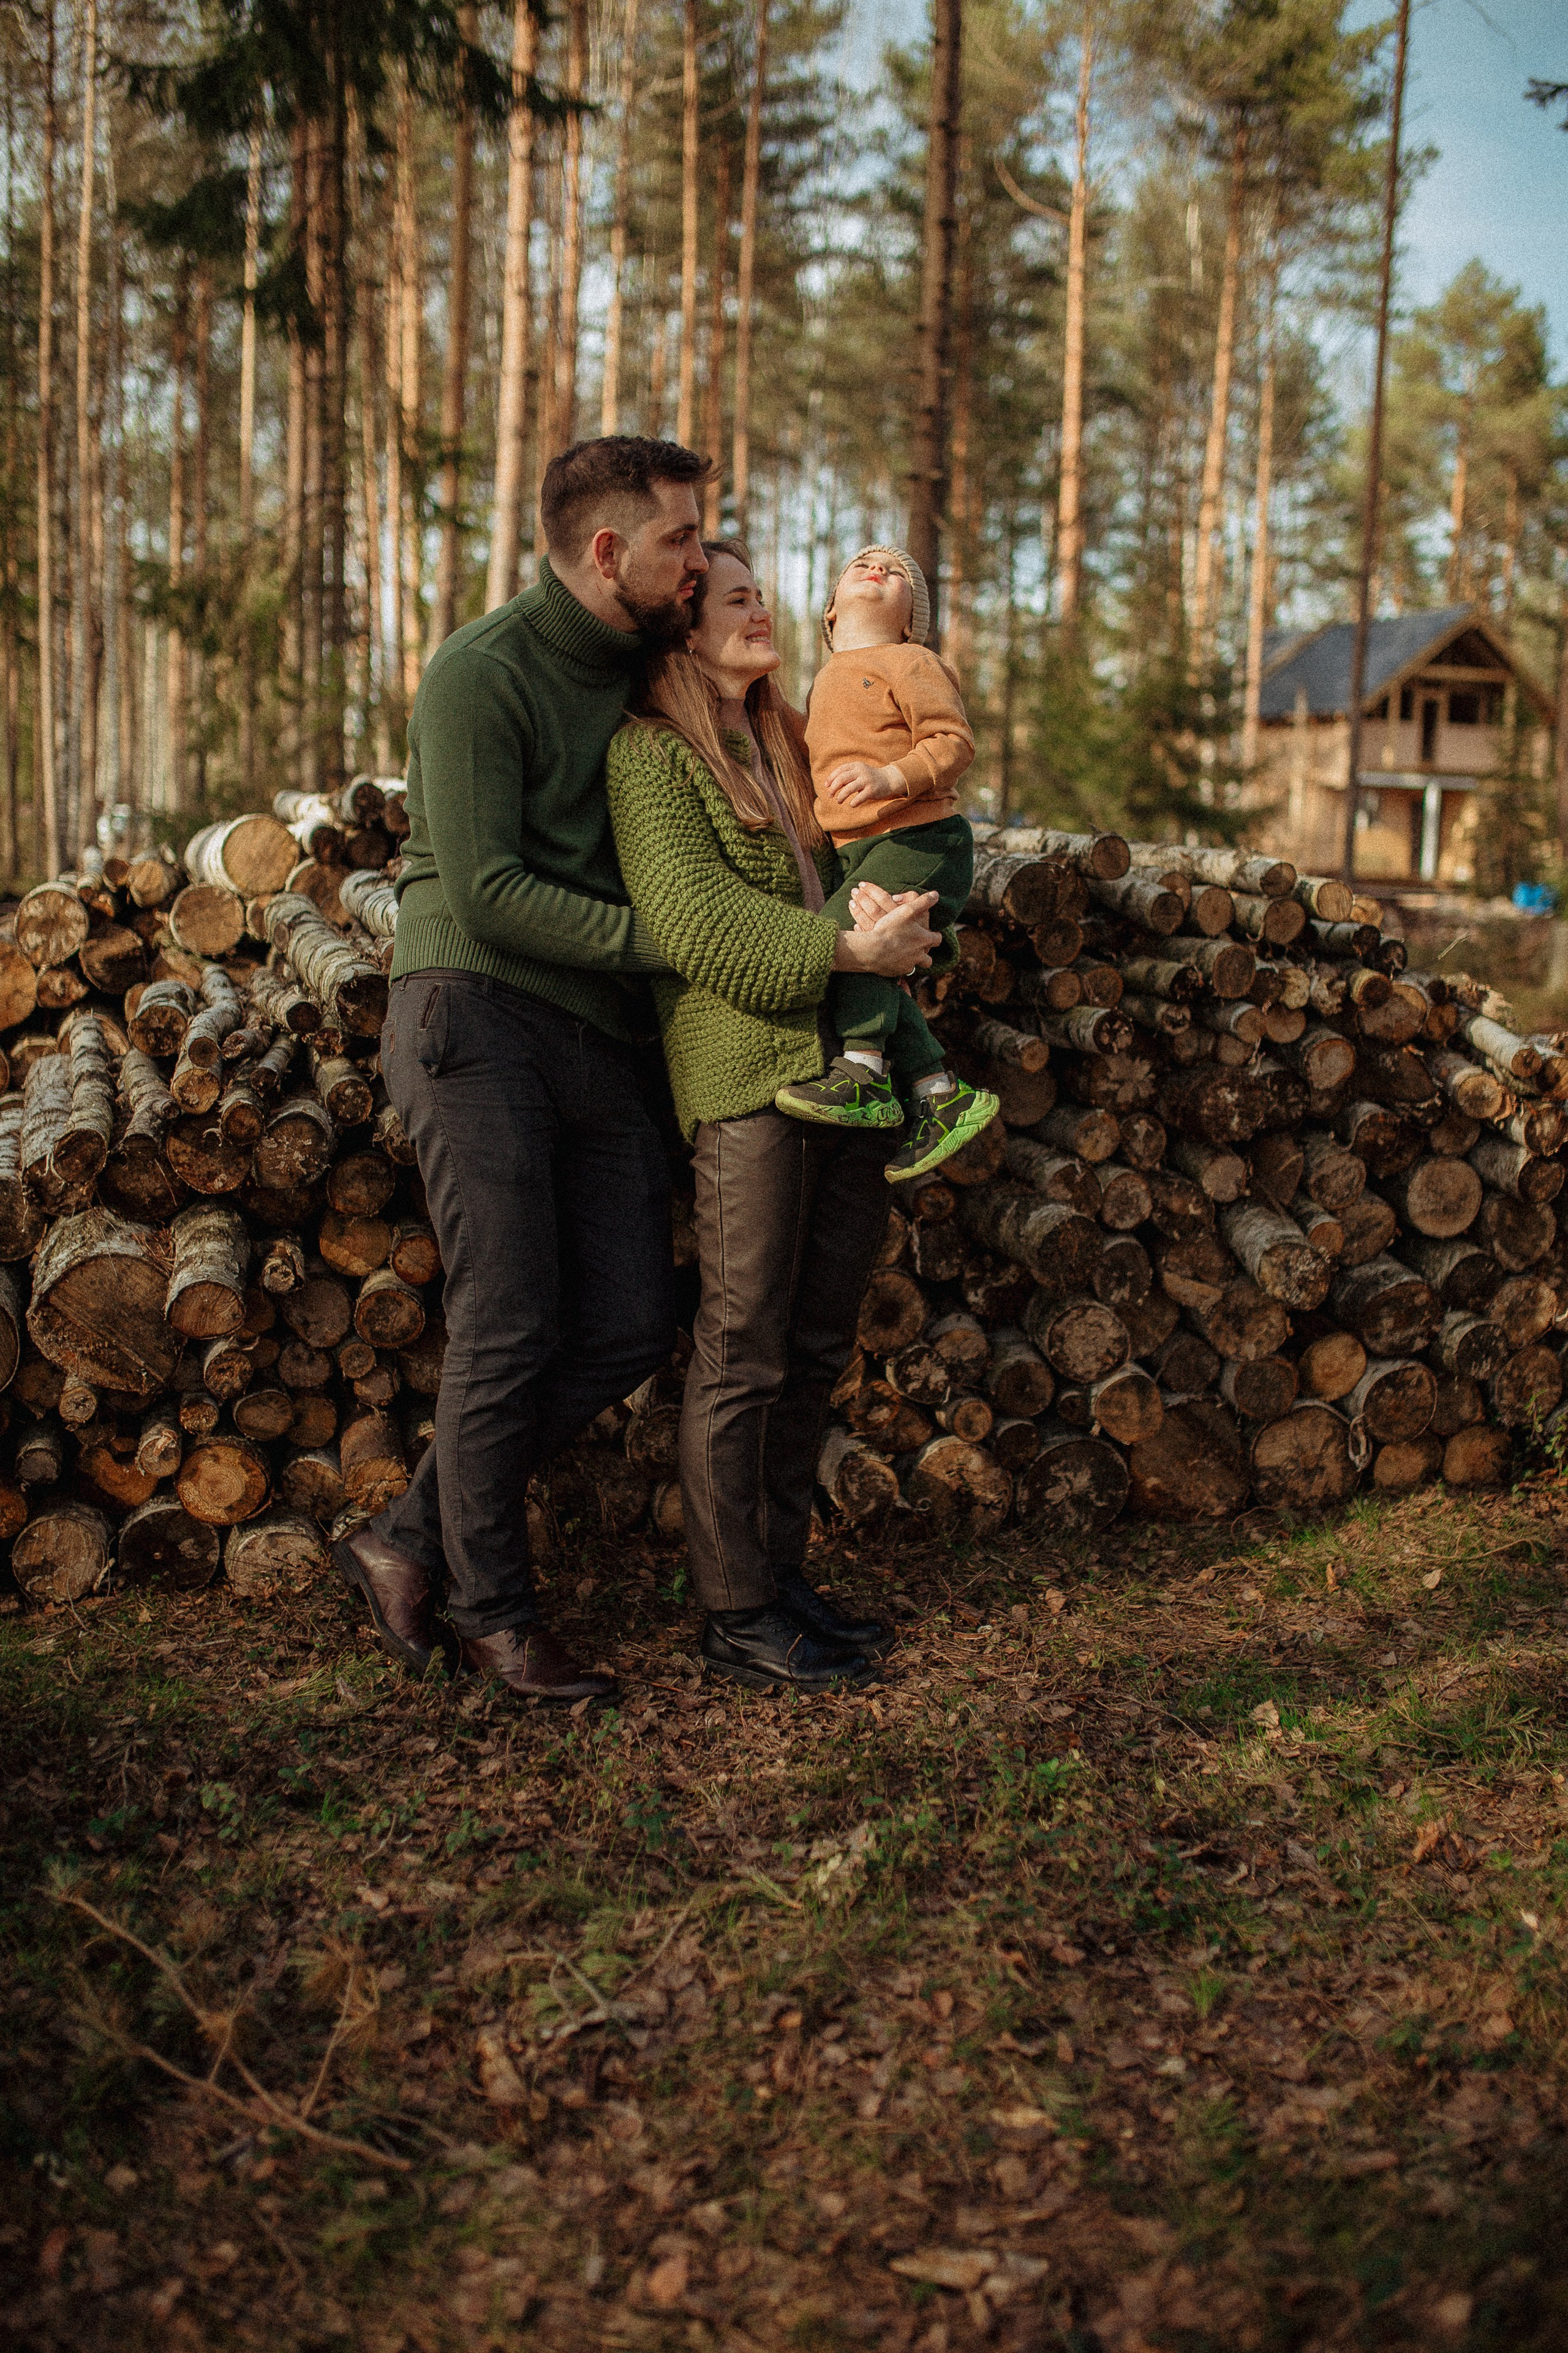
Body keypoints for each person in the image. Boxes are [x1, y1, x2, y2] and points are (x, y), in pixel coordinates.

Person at [334, 436, 715, 1705]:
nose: (701, 562)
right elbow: (489, 893)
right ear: (606, 551)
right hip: (473, 1015)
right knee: (507, 1317)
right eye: (682, 539)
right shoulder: (478, 672)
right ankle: (493, 1612)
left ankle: (405, 1536)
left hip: (593, 1034)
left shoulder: (649, 671)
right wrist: (667, 948)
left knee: (625, 1321)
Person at [607, 541, 943, 1693]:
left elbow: (893, 835)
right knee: (742, 1344)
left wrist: (902, 906)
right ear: (683, 627)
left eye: (761, 594)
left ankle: (781, 1576)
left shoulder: (799, 738)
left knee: (814, 1343)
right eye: (737, 599)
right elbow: (700, 930)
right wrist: (855, 948)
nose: (765, 612)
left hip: (851, 1073)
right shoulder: (651, 758)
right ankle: (734, 1610)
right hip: (747, 1074)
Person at [773, 546, 996, 1181]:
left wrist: (890, 775)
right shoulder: (824, 683)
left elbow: (953, 741)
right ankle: (937, 1092)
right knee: (877, 963)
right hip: (863, 852)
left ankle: (864, 1075)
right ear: (830, 612)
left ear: (909, 622)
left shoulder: (911, 661)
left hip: (922, 838)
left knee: (845, 944)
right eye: (860, 567)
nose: (877, 570)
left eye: (898, 572)